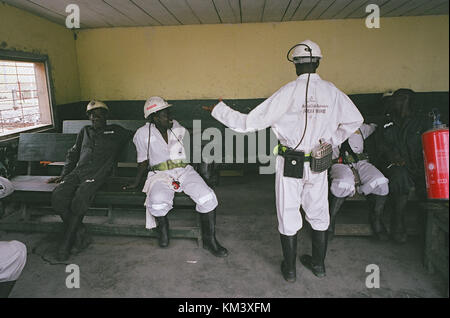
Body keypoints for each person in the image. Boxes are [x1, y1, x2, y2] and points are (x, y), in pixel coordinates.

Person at [205, 40, 363, 282]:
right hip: (319, 163)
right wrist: (331, 140)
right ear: (318, 62)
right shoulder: (332, 92)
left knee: (288, 213)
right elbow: (355, 120)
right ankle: (319, 265)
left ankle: (290, 270)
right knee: (319, 213)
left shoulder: (288, 91)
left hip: (291, 162)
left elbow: (249, 123)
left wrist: (219, 110)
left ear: (295, 65)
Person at [123, 96, 228, 257]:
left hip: (184, 171)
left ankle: (210, 240)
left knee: (207, 197)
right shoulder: (142, 134)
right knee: (157, 201)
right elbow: (143, 161)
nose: (170, 116)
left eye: (169, 112)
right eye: (165, 114)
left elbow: (189, 139)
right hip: (160, 175)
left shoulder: (176, 126)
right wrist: (137, 182)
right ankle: (163, 229)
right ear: (155, 117)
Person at [49, 100, 133, 261]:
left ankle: (66, 243)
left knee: (80, 198)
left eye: (99, 114)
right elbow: (73, 153)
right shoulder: (85, 131)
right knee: (58, 196)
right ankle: (79, 231)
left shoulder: (117, 131)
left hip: (99, 174)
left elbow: (139, 135)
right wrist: (64, 174)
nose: (95, 117)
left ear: (106, 115)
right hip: (77, 172)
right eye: (92, 115)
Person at [375, 88, 431, 243]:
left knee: (430, 185)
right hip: (393, 166)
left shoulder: (422, 121)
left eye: (401, 99)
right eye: (395, 98)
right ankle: (398, 219)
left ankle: (429, 227)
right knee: (400, 175)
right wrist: (390, 154)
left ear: (409, 101)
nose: (396, 101)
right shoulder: (386, 122)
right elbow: (379, 145)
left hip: (418, 166)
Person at [328, 123, 389, 241]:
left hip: (361, 163)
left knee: (381, 182)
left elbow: (378, 127)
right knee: (344, 183)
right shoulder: (328, 126)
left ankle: (376, 217)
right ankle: (331, 219)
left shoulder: (360, 127)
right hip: (339, 163)